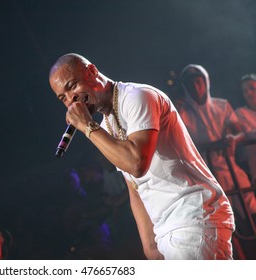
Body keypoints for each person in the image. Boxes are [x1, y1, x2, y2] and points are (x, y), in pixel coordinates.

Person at [48, 53, 235, 260]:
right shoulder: (104, 126)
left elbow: (136, 163)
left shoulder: (137, 96)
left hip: (193, 215)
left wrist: (86, 126)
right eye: (63, 98)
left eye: (72, 85)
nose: (71, 100)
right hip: (167, 228)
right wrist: (149, 245)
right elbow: (134, 186)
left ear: (92, 71)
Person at [177, 65, 256, 222]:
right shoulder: (181, 113)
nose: (196, 87)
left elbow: (238, 130)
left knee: (251, 210)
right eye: (190, 83)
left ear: (206, 82)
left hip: (231, 169)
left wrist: (233, 138)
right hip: (205, 177)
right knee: (223, 222)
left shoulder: (222, 105)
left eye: (199, 82)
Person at [235, 73, 256, 186]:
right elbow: (247, 134)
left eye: (252, 88)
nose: (248, 93)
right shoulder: (240, 113)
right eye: (245, 91)